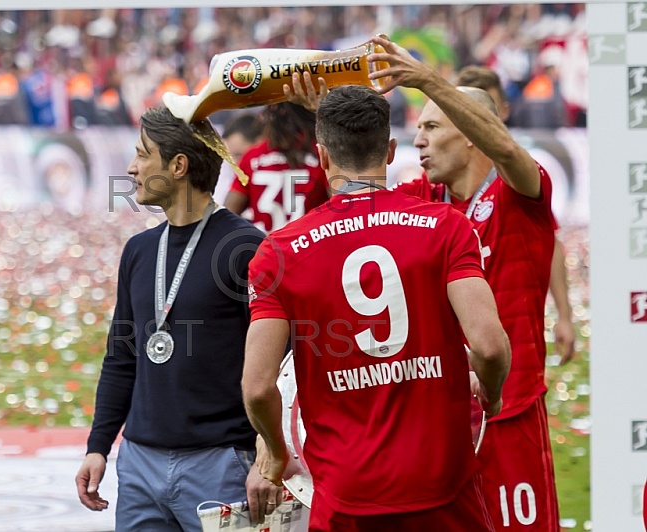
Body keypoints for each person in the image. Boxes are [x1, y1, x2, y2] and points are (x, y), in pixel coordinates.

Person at [243, 84, 511, 530]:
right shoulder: (446, 227)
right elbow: (490, 345)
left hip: (346, 495)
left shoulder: (280, 251)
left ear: (323, 156)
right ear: (390, 151)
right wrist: (493, 392)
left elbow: (256, 386)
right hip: (443, 487)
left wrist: (275, 452)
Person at [365, 35, 560, 531]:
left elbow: (505, 146)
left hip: (509, 410)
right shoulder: (424, 200)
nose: (418, 141)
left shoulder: (521, 194)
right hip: (441, 418)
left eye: (431, 126)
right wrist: (316, 118)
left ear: (470, 133)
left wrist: (428, 79)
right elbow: (356, 198)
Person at [75, 106, 281, 530]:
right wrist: (98, 445)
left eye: (142, 155)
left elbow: (278, 365)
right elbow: (121, 357)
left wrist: (266, 454)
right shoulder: (139, 250)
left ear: (179, 165)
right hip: (139, 465)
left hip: (221, 463)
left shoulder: (247, 248)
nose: (131, 169)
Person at [455, 65, 576, 365]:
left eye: (485, 112)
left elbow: (551, 241)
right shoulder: (437, 180)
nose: (476, 121)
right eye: (465, 110)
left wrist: (564, 313)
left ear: (504, 111)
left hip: (516, 342)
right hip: (461, 343)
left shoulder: (520, 177)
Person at [224, 102, 330, 233]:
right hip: (309, 248)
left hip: (265, 249)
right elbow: (342, 204)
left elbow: (227, 214)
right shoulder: (323, 153)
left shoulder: (252, 157)